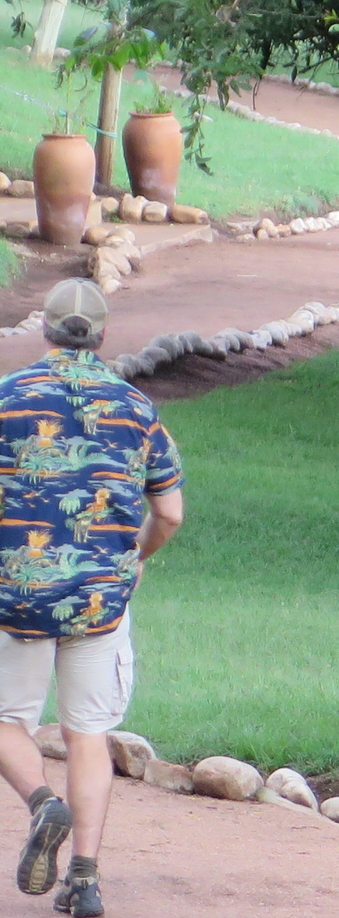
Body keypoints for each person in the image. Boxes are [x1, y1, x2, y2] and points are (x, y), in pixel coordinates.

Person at [0, 279, 184, 917]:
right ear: (102, 336)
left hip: (15, 595)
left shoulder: (6, 399)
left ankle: (42, 804)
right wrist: (131, 559)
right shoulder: (135, 408)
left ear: (43, 329)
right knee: (89, 733)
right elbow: (171, 513)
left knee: (4, 720)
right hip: (100, 601)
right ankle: (83, 877)